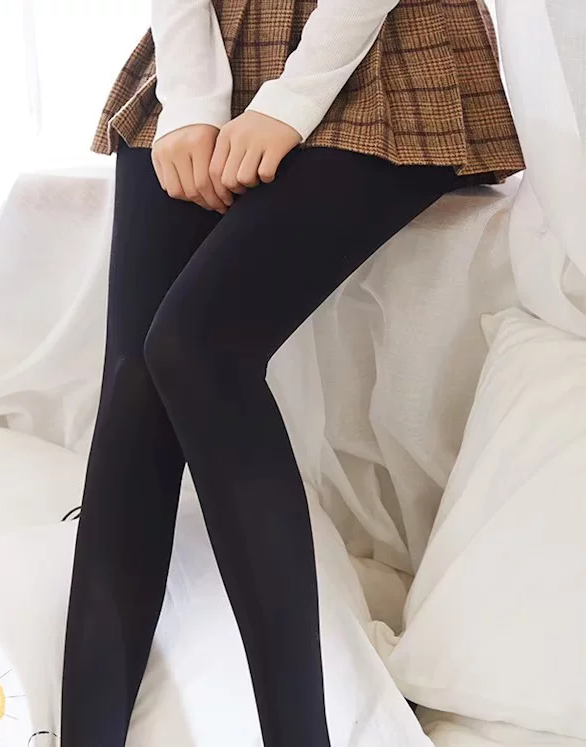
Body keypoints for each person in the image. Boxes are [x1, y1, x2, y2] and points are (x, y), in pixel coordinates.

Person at [61, 0, 525, 744]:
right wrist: (193, 98)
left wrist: (291, 102)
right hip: (210, 39)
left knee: (196, 346)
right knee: (134, 383)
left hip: (382, 50)